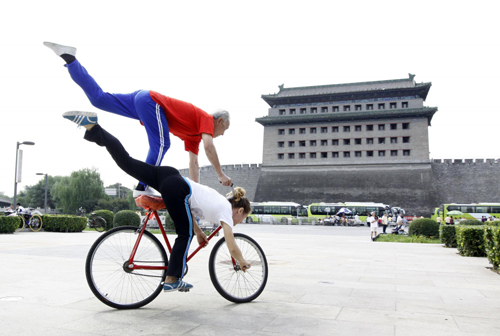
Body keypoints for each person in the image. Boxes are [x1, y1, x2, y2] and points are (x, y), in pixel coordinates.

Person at [62, 111, 250, 292]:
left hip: (169, 176)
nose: (238, 222)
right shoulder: (226, 209)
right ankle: (171, 279)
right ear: (239, 211)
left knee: (126, 162)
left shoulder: (217, 199)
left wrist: (199, 231)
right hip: (178, 188)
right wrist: (242, 261)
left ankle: (93, 127)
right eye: (241, 219)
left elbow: (189, 206)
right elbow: (231, 245)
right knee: (185, 235)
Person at [44, 42, 232, 197]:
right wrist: (220, 174)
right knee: (162, 145)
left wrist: (195, 192)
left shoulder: (194, 136)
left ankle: (70, 59)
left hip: (142, 99)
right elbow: (209, 147)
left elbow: (193, 164)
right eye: (225, 130)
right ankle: (143, 186)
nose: (222, 135)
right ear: (220, 121)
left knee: (99, 99)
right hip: (152, 103)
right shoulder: (206, 118)